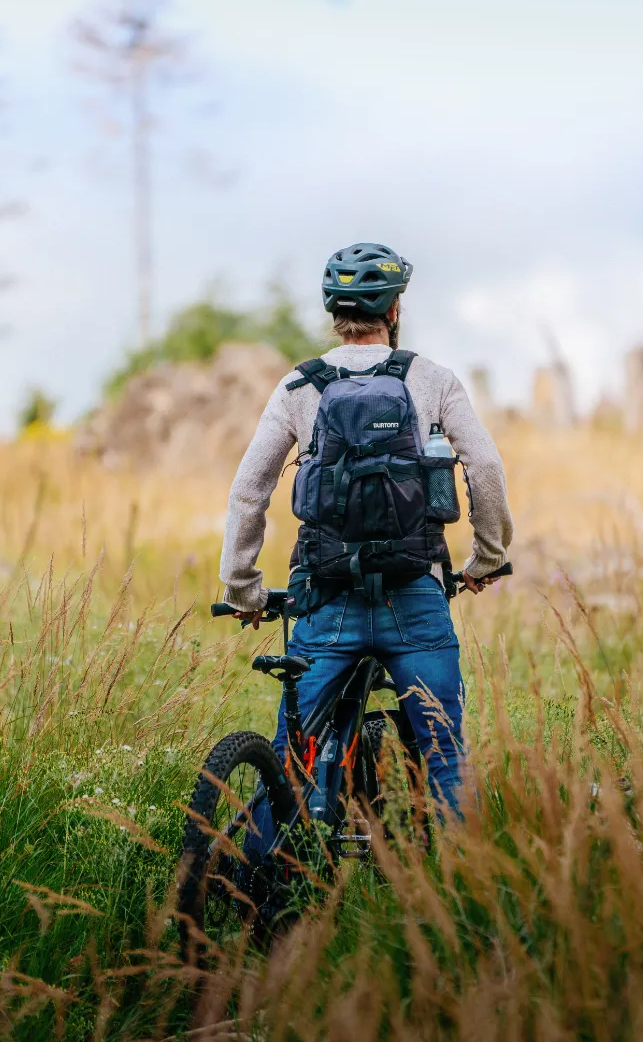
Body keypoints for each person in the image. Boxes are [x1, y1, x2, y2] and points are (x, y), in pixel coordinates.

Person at [220, 243, 513, 835]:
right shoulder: (433, 380)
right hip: (415, 594)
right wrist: (486, 558)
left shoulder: (299, 385)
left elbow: (249, 490)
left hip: (325, 599)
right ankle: (462, 884)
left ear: (334, 313)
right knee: (445, 756)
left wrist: (242, 587)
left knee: (290, 763)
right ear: (395, 309)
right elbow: (484, 467)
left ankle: (253, 881)